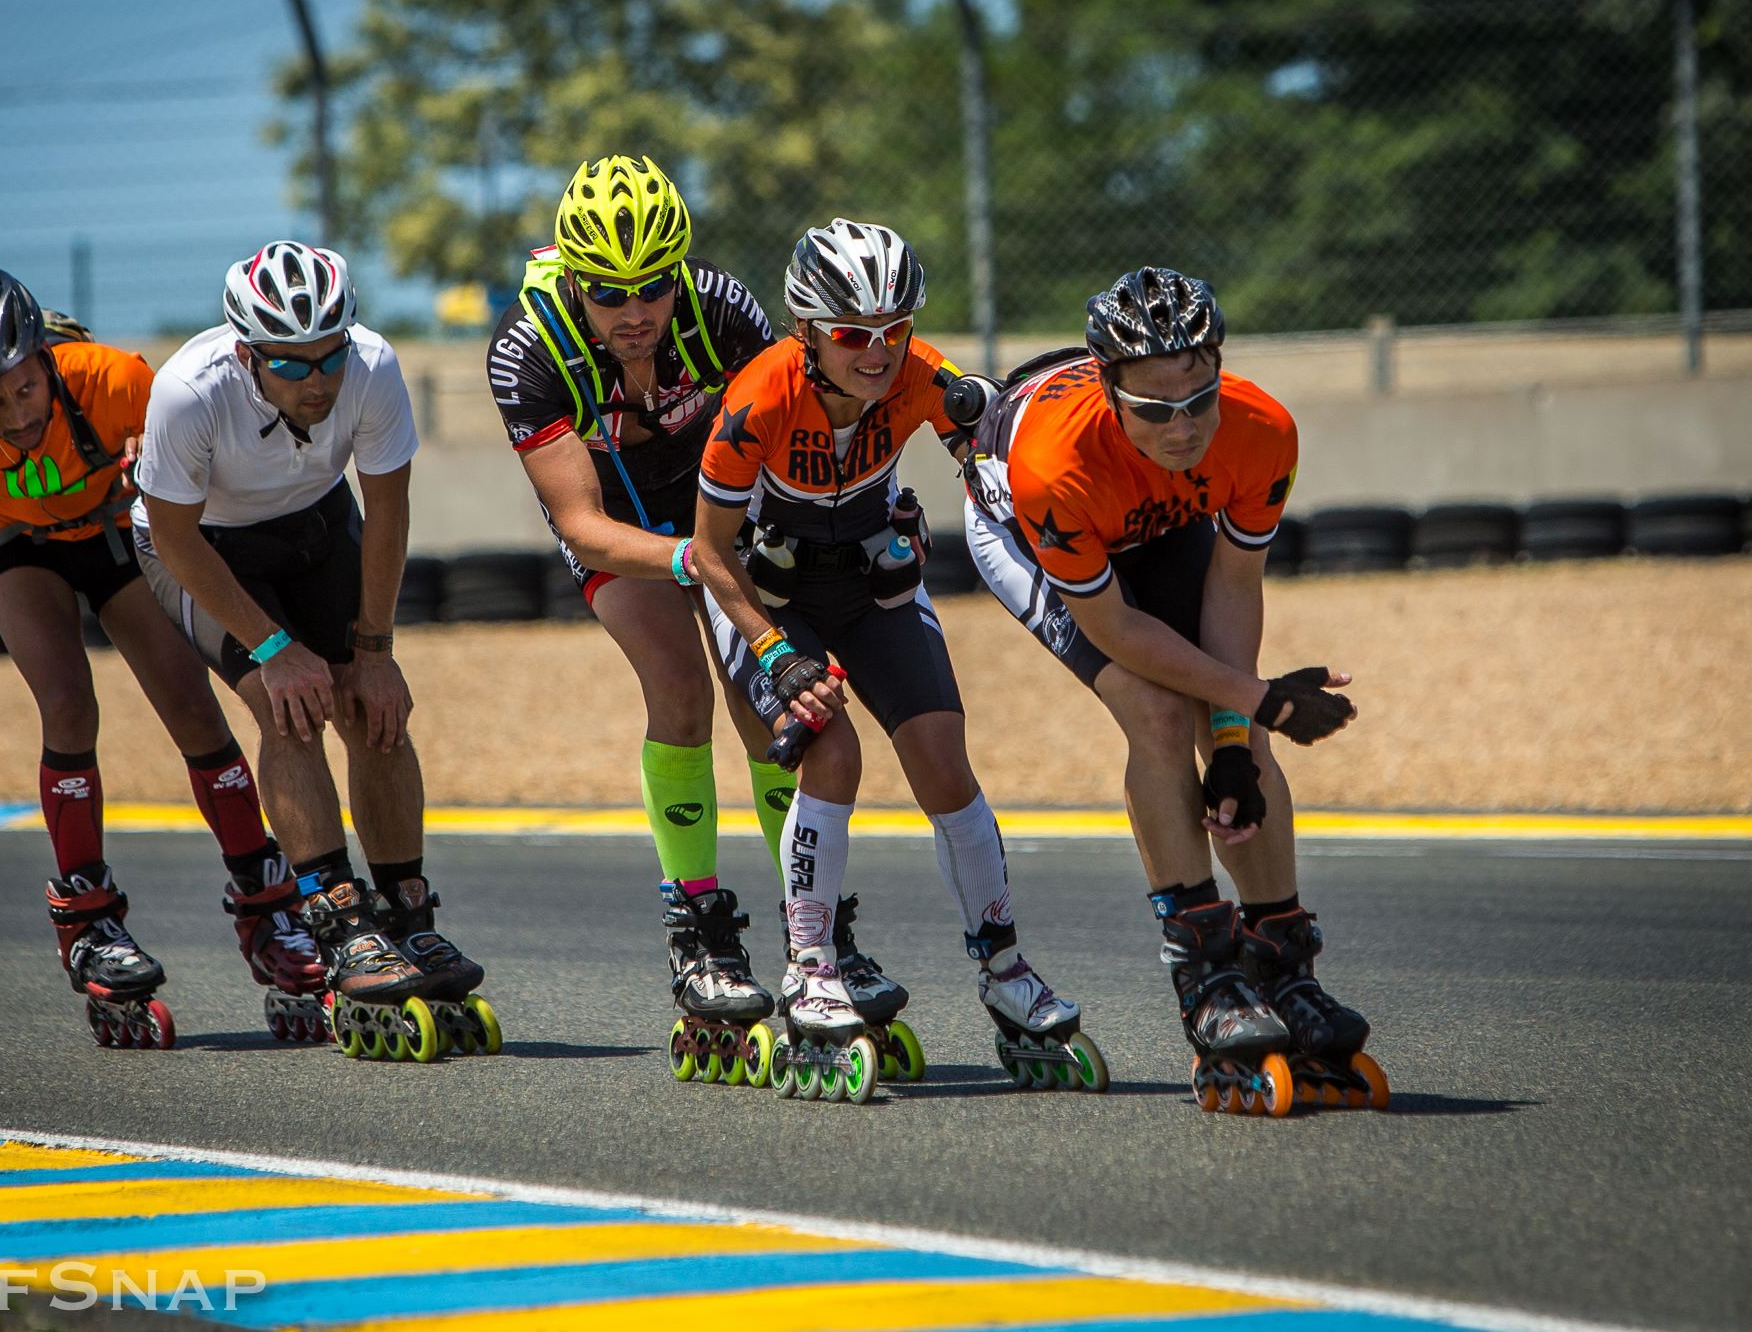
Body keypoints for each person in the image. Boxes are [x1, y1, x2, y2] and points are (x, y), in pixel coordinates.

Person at [690, 219, 1103, 1102]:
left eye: (895, 329)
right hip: (766, 593)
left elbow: (993, 430)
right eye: (852, 335)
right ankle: (811, 967)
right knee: (833, 749)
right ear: (807, 331)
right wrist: (770, 650)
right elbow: (709, 553)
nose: (877, 353)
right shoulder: (756, 400)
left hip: (870, 578)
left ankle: (1004, 968)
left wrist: (986, 462)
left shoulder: (920, 373)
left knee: (943, 756)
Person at [955, 264, 1381, 1116]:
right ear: (1110, 390)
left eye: (1199, 399)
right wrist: (1257, 696)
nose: (1183, 427)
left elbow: (1232, 588)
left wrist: (1234, 738)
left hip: (1155, 517)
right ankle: (1206, 972)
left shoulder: (1261, 429)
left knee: (1241, 734)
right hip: (1030, 530)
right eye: (1155, 408)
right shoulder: (1052, 464)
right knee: (1153, 710)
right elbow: (1118, 630)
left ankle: (1281, 960)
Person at [0, 267, 312, 1049]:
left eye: (25, 388)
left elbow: (202, 437)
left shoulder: (115, 382)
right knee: (68, 705)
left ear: (48, 360)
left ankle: (267, 903)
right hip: (16, 548)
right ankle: (87, 922)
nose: (16, 414)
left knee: (191, 705)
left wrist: (160, 450)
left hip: (113, 530)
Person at [135, 239, 496, 1062]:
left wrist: (375, 651)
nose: (319, 381)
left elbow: (388, 510)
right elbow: (174, 538)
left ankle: (406, 911)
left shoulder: (373, 365)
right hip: (204, 547)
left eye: (330, 356)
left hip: (317, 523)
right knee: (289, 706)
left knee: (374, 707)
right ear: (247, 356)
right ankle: (338, 917)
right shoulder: (189, 393)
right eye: (293, 366)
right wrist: (271, 647)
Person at [485, 154, 798, 1079]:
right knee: (679, 686)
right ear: (573, 282)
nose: (635, 312)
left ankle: (812, 928)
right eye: (608, 292)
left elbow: (790, 433)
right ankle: (697, 928)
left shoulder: (723, 308)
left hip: (718, 498)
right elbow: (580, 523)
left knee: (768, 700)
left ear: (680, 273)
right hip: (616, 518)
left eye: (654, 287)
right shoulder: (528, 349)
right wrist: (688, 561)